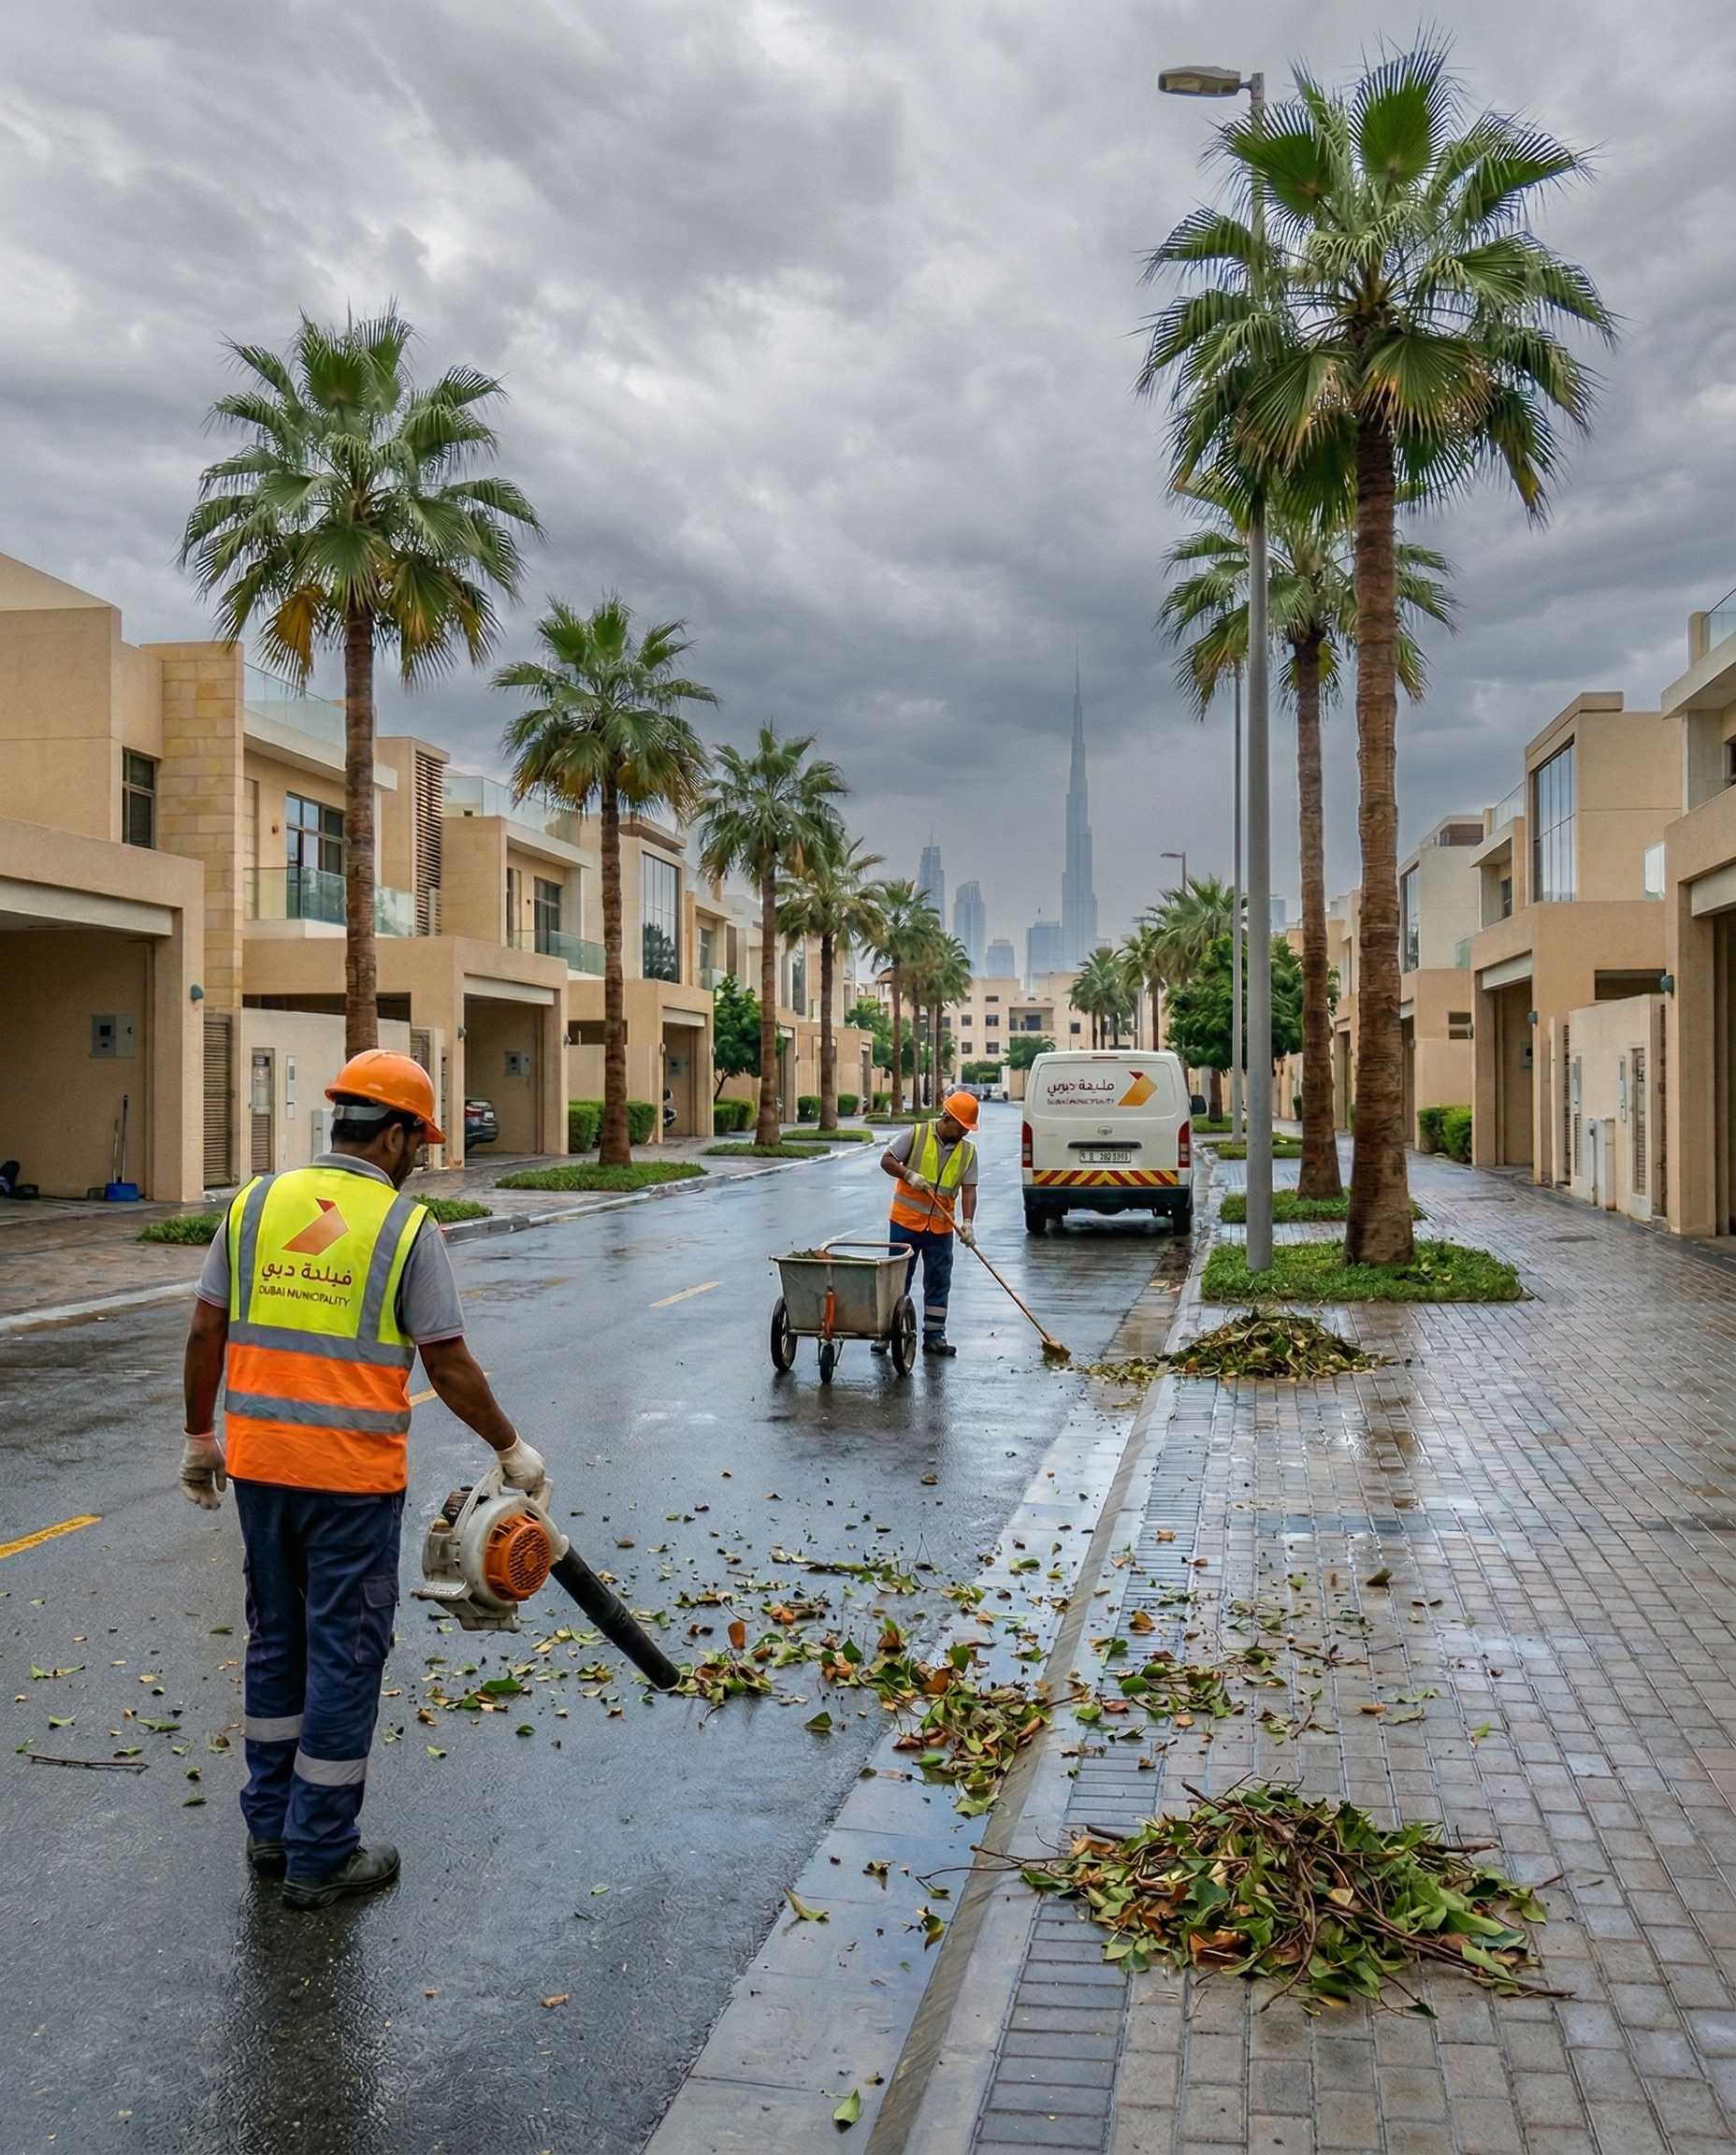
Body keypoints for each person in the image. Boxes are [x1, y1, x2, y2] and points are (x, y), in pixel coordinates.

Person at [179, 1049, 545, 1911]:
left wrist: (202, 1440)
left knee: (278, 1642)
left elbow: (205, 1330)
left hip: (262, 1472)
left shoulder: (255, 1204)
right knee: (344, 1654)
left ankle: (270, 1831)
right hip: (348, 1481)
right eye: (419, 1138)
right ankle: (320, 1854)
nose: (420, 1155)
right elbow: (447, 1365)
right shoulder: (403, 1228)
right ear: (393, 1134)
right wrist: (512, 1447)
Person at [875, 1089, 979, 1358]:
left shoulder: (968, 1152)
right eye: (962, 1126)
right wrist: (908, 1174)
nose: (965, 1133)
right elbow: (886, 1160)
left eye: (968, 1128)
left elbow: (969, 1189)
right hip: (905, 1223)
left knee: (938, 1281)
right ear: (947, 1117)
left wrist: (968, 1223)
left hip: (941, 1229)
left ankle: (935, 1337)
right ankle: (886, 1334)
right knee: (897, 1281)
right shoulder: (917, 1134)